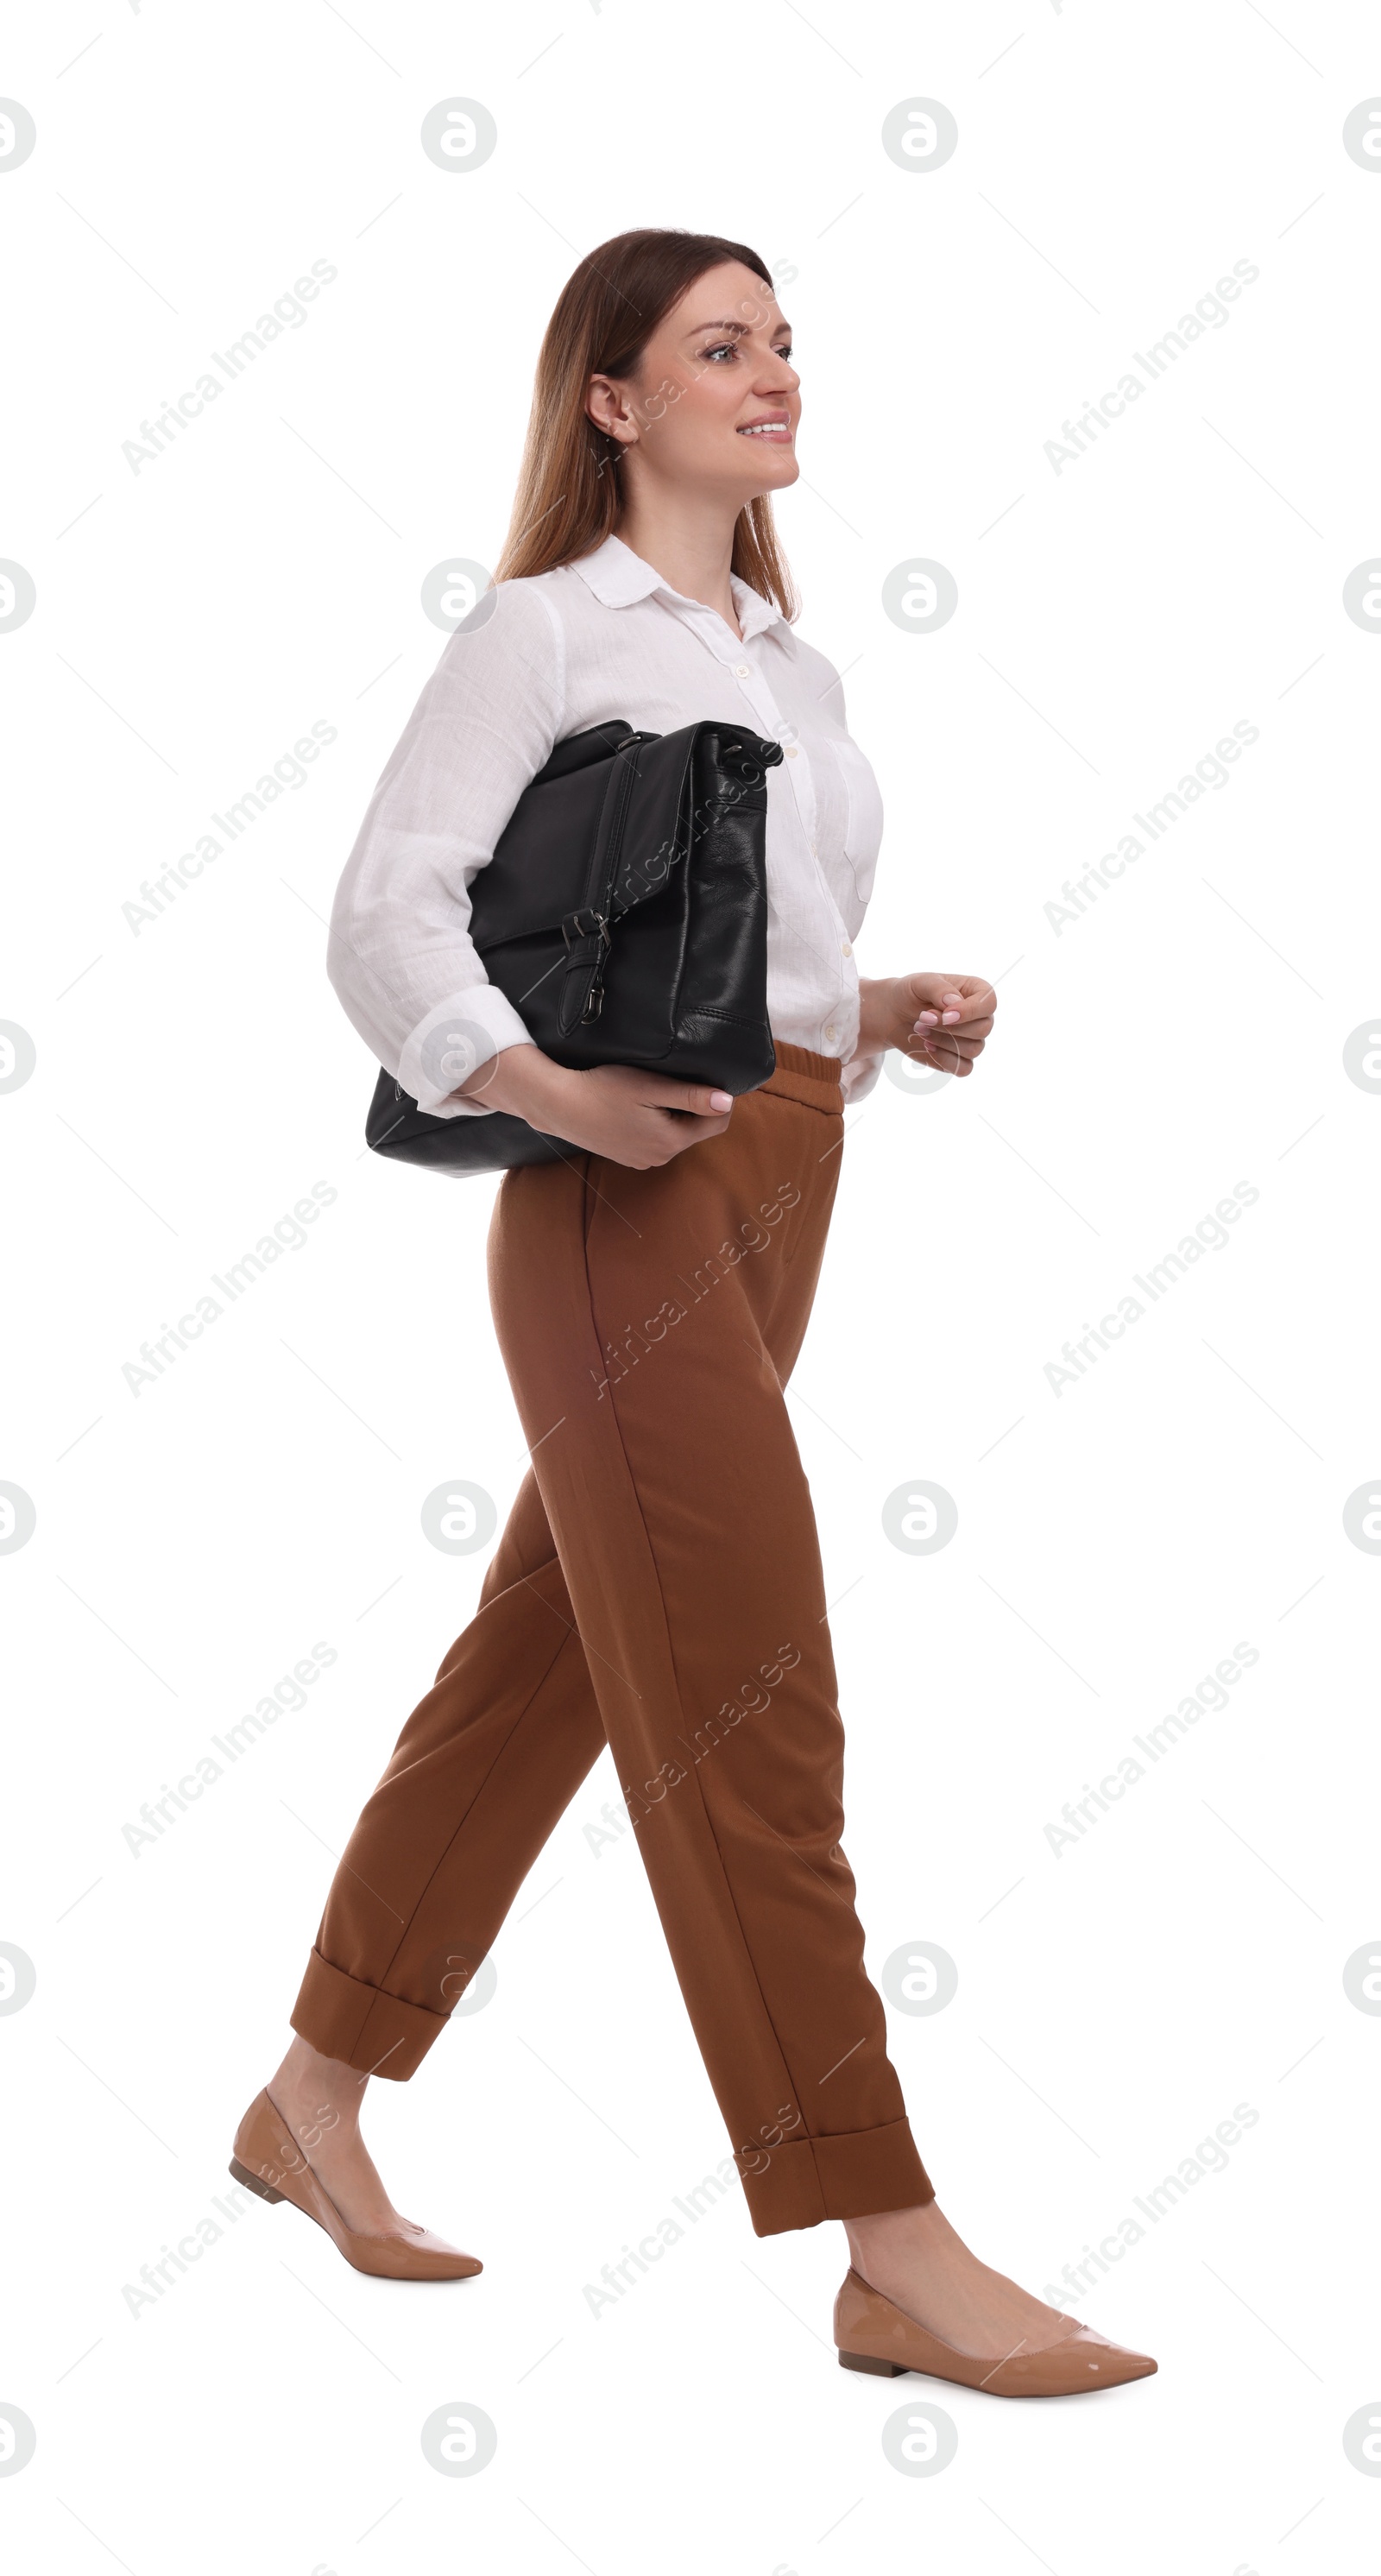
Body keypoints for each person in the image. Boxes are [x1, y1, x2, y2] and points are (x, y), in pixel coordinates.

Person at [231, 229, 1156, 2396]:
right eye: (719, 346)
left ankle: (313, 2092)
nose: (775, 374)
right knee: (753, 1689)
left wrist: (877, 1000)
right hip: (607, 1211)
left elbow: (746, 948)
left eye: (785, 342)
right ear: (614, 401)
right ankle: (882, 2233)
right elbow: (385, 908)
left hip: (779, 1182)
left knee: (543, 1667)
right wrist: (539, 1082)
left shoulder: (790, 667)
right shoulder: (543, 629)